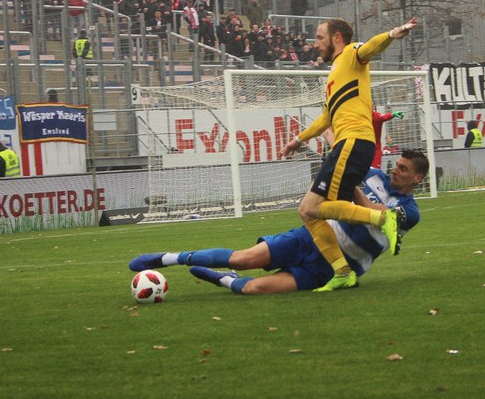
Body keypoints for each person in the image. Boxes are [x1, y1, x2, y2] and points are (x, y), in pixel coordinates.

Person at [129, 149, 428, 294]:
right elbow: (341, 173)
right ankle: (168, 258)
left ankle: (223, 279)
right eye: (397, 165)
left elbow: (376, 213)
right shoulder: (373, 174)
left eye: (403, 169)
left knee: (254, 289)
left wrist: (350, 185)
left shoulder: (410, 211)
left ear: (418, 178)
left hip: (336, 267)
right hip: (313, 237)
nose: (395, 170)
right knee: (243, 259)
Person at [278, 16, 417, 291]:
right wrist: (298, 140)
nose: (316, 44)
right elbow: (326, 117)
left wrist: (392, 34)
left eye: (320, 37)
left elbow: (371, 47)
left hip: (353, 142)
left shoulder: (352, 53)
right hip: (348, 145)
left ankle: (384, 218)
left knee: (321, 206)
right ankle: (342, 271)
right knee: (308, 210)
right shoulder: (336, 74)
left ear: (337, 37)